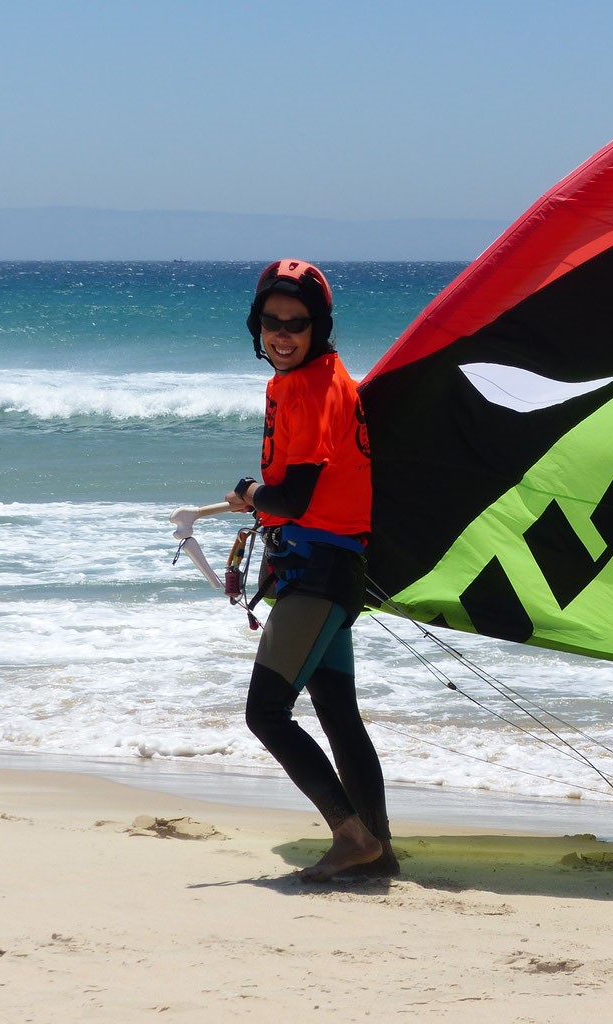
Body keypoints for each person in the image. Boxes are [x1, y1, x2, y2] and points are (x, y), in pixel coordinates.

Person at [225, 259, 396, 882]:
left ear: (318, 327)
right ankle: (379, 852)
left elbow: (293, 498)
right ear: (257, 323)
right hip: (324, 567)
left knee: (266, 714)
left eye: (297, 323)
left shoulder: (319, 385)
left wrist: (250, 492)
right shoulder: (294, 381)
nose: (283, 333)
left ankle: (352, 837)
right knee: (336, 711)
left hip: (319, 571)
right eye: (272, 322)